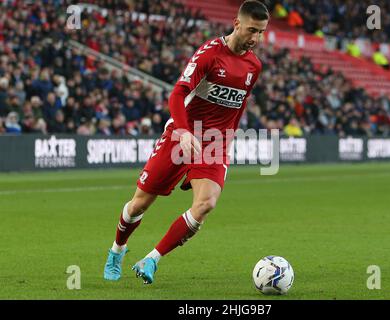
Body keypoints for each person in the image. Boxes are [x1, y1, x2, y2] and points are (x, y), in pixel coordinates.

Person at [103, 0, 268, 284]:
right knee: (139, 204)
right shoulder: (209, 54)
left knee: (205, 204)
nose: (255, 38)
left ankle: (151, 260)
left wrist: (228, 139)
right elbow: (177, 94)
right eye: (252, 30)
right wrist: (183, 130)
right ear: (236, 23)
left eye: (261, 32)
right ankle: (117, 250)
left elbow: (238, 107)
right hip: (181, 136)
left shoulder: (254, 65)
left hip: (215, 143)